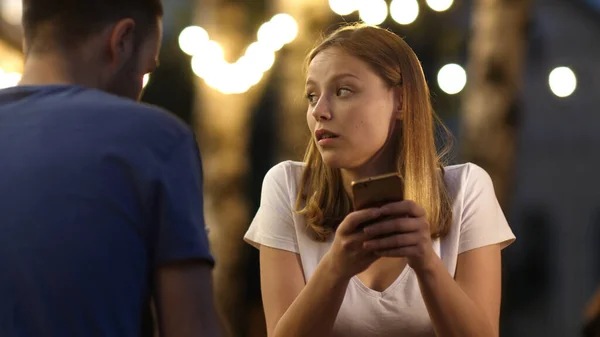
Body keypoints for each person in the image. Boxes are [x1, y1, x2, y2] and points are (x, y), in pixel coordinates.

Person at [244, 23, 516, 337]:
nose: (319, 110)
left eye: (343, 90)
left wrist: (426, 262)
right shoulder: (288, 188)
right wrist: (336, 267)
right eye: (311, 95)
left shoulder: (466, 189)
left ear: (400, 102)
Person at [0, 1, 220, 336]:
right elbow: (191, 328)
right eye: (146, 70)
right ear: (122, 40)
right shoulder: (156, 139)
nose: (141, 89)